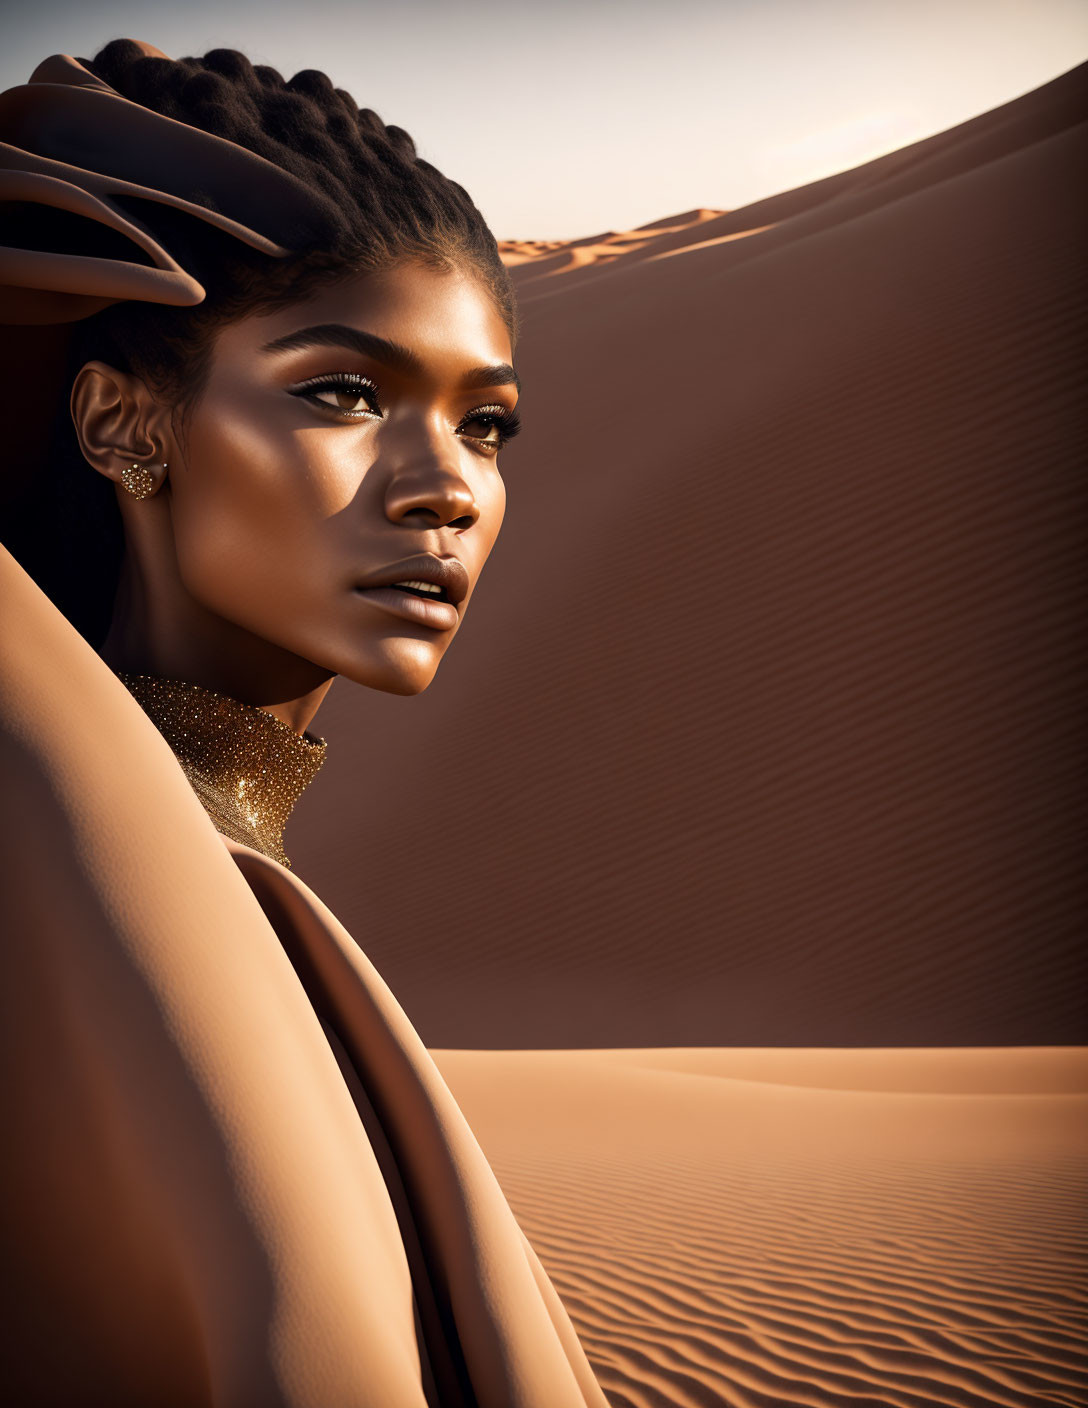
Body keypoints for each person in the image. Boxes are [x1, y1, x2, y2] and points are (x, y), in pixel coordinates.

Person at [0, 38, 608, 1408]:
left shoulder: (212, 880)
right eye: (343, 392)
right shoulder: (76, 886)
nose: (443, 488)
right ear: (119, 422)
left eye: (488, 425)